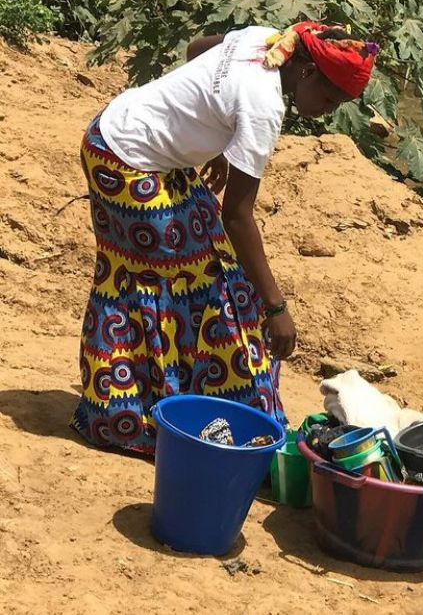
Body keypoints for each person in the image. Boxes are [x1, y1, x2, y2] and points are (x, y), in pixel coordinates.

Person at [72, 22, 377, 453]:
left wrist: (210, 129)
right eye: (329, 98)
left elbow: (196, 47)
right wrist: (275, 307)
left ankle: (178, 404)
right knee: (172, 278)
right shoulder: (263, 106)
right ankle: (128, 418)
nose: (327, 111)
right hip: (122, 156)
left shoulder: (268, 41)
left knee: (214, 270)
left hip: (138, 141)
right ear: (307, 72)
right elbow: (235, 216)